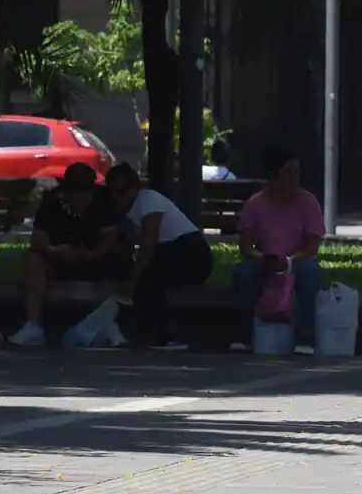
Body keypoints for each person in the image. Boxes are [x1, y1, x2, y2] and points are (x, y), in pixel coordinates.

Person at [8, 162, 132, 347]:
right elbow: (39, 238)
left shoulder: (104, 202)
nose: (77, 198)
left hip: (96, 258)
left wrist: (90, 254)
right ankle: (33, 326)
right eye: (73, 192)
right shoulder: (53, 201)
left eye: (83, 193)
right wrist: (55, 251)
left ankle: (108, 324)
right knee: (34, 260)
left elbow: (109, 240)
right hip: (59, 259)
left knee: (115, 261)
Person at [228, 148, 325, 356]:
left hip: (297, 260)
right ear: (273, 175)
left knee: (310, 272)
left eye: (297, 172)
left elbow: (312, 245)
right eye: (288, 172)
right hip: (266, 261)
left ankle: (305, 340)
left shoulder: (308, 202)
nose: (294, 178)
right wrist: (261, 258)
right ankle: (241, 338)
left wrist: (290, 261)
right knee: (243, 273)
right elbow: (245, 246)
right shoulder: (256, 204)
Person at [106, 162, 213, 350]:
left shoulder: (149, 201)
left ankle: (168, 334)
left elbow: (148, 243)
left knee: (149, 276)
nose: (116, 198)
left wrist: (134, 276)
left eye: (121, 192)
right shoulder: (128, 211)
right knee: (141, 273)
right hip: (171, 253)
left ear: (134, 188)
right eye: (112, 193)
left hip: (191, 255)